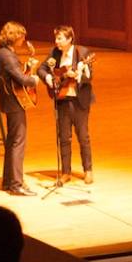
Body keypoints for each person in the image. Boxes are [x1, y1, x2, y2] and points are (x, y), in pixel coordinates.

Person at [0, 21, 43, 195]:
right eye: (21, 36)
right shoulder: (7, 56)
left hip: (10, 101)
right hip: (14, 103)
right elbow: (22, 80)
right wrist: (33, 79)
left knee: (13, 142)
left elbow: (13, 76)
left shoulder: (1, 53)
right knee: (18, 143)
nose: (24, 39)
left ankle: (9, 182)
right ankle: (16, 184)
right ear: (14, 36)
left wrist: (28, 67)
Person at [42, 25, 95, 186]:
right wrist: (49, 79)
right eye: (56, 38)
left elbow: (89, 76)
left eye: (59, 38)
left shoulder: (83, 53)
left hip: (79, 101)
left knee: (83, 137)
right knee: (64, 137)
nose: (56, 41)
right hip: (62, 100)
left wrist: (80, 73)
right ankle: (65, 172)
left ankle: (88, 170)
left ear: (69, 39)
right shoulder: (54, 53)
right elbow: (42, 69)